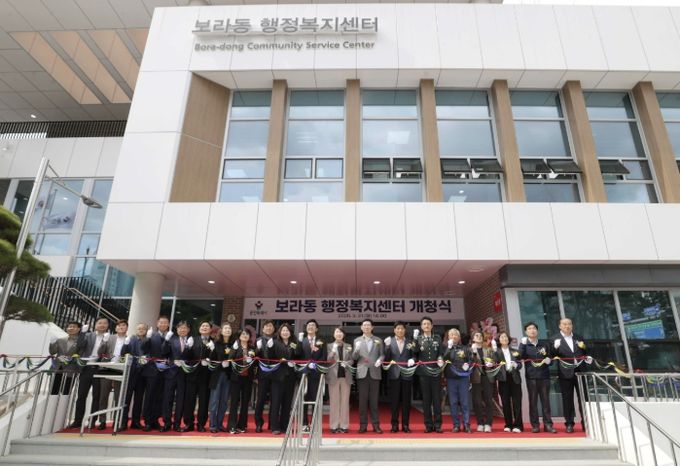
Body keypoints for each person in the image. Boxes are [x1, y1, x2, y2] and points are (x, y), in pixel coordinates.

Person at [550, 318, 592, 433]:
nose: (567, 326)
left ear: (572, 325)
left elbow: (586, 352)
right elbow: (551, 355)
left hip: (580, 372)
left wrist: (586, 350)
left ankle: (586, 423)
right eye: (564, 324)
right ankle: (569, 424)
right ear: (560, 326)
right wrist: (555, 347)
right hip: (565, 373)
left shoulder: (579, 337)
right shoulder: (554, 339)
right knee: (567, 399)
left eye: (569, 324)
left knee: (584, 398)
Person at [70, 317, 110, 429]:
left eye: (105, 323)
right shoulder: (88, 335)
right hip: (86, 368)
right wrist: (82, 333)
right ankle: (78, 421)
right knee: (81, 396)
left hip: (99, 369)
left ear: (108, 326)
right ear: (95, 324)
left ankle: (92, 420)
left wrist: (105, 342)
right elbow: (79, 345)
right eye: (100, 323)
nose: (102, 325)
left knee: (97, 396)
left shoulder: (109, 338)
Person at [519, 321, 556, 433]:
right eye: (529, 329)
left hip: (544, 376)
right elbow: (520, 357)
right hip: (531, 377)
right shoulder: (524, 344)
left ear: (537, 331)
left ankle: (548, 425)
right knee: (533, 402)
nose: (532, 330)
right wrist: (523, 345)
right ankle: (535, 425)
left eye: (534, 328)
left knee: (546, 402)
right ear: (526, 332)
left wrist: (549, 361)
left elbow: (551, 358)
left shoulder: (545, 344)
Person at [412, 316, 444, 433]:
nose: (426, 326)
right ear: (421, 326)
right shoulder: (418, 338)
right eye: (424, 324)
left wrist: (440, 358)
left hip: (435, 371)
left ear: (432, 326)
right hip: (423, 372)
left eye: (428, 324)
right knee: (426, 399)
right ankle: (428, 424)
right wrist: (414, 339)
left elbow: (440, 352)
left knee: (437, 398)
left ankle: (438, 424)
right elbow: (414, 351)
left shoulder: (437, 337)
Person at [161, 321, 195, 432]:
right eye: (180, 328)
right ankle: (166, 423)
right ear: (177, 329)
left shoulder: (191, 341)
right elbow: (164, 352)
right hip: (171, 373)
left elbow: (193, 358)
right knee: (168, 398)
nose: (182, 330)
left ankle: (177, 424)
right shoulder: (172, 340)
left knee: (181, 400)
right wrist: (166, 340)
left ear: (188, 330)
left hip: (183, 374)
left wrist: (189, 348)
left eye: (185, 328)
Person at [352, 319, 384, 434]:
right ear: (361, 327)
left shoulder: (378, 340)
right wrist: (356, 349)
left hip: (375, 372)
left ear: (372, 327)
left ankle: (376, 425)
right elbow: (354, 358)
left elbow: (382, 355)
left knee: (374, 402)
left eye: (368, 325)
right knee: (362, 402)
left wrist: (380, 360)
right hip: (362, 373)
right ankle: (363, 425)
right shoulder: (357, 340)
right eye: (364, 325)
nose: (366, 327)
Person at [96, 319, 129, 430]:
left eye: (123, 325)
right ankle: (102, 421)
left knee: (118, 397)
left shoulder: (129, 339)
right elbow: (100, 353)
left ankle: (117, 420)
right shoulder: (109, 338)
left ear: (127, 328)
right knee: (103, 396)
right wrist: (104, 341)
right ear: (115, 328)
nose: (121, 327)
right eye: (119, 325)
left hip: (121, 370)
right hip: (107, 368)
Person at [383, 321, 415, 433]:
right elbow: (386, 359)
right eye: (398, 328)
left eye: (402, 328)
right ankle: (394, 425)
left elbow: (414, 356)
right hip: (394, 374)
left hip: (407, 374)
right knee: (394, 401)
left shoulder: (410, 342)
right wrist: (387, 347)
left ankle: (405, 425)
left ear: (405, 330)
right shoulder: (389, 342)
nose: (400, 330)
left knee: (406, 401)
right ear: (394, 330)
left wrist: (413, 359)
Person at [141, 315, 171, 431]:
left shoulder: (170, 336)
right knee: (149, 396)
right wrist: (147, 338)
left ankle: (155, 420)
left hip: (164, 371)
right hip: (152, 370)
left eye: (165, 322)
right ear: (157, 324)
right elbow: (143, 348)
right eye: (161, 322)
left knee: (160, 397)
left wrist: (167, 341)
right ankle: (148, 421)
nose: (163, 324)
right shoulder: (151, 335)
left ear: (168, 324)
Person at [269, 323, 299, 435]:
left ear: (290, 332)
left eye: (287, 330)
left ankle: (285, 426)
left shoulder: (293, 343)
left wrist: (298, 347)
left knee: (287, 402)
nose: (285, 332)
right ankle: (274, 426)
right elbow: (270, 357)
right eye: (283, 330)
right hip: (277, 377)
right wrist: (270, 347)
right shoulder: (275, 342)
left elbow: (298, 355)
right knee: (276, 402)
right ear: (280, 332)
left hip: (290, 377)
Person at [442, 328, 472, 433]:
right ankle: (456, 425)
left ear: (459, 338)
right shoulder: (445, 348)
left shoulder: (465, 348)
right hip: (451, 378)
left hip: (463, 377)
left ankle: (467, 425)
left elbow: (470, 360)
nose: (453, 336)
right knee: (453, 402)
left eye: (455, 335)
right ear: (448, 337)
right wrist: (449, 348)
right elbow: (444, 359)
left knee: (464, 402)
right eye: (451, 335)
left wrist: (468, 364)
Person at [299, 319, 326, 431]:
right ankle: (304, 423)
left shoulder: (321, 341)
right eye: (309, 325)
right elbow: (297, 355)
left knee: (315, 399)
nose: (310, 327)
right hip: (304, 374)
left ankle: (314, 423)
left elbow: (324, 357)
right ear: (306, 328)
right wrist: (299, 342)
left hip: (316, 374)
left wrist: (316, 364)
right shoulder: (302, 340)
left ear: (316, 328)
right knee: (303, 399)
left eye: (313, 325)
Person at [493, 331, 523, 433]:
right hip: (503, 379)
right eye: (502, 337)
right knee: (505, 403)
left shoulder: (515, 351)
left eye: (506, 337)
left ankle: (518, 425)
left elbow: (520, 364)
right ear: (499, 340)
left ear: (508, 339)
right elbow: (494, 363)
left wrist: (516, 365)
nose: (504, 338)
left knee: (517, 403)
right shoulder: (496, 352)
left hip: (515, 379)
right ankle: (508, 424)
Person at [120, 323, 148, 430]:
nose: (141, 330)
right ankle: (123, 422)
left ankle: (136, 422)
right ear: (136, 329)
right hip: (131, 372)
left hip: (142, 373)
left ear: (146, 330)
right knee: (126, 398)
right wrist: (125, 344)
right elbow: (123, 353)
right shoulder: (131, 339)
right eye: (139, 328)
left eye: (143, 328)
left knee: (139, 399)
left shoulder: (148, 340)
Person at [228, 328, 255, 434]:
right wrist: (234, 350)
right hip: (236, 378)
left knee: (245, 402)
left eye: (247, 334)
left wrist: (251, 360)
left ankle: (242, 425)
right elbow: (230, 359)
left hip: (248, 378)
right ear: (239, 336)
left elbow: (256, 363)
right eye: (243, 334)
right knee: (234, 402)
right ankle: (232, 425)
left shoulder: (252, 348)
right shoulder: (235, 346)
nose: (245, 335)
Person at [48, 321, 86, 395]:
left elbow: (81, 355)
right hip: (57, 368)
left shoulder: (81, 342)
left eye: (74, 327)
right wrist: (52, 343)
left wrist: (69, 359)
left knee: (66, 392)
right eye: (70, 326)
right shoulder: (60, 340)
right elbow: (52, 352)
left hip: (71, 369)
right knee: (53, 391)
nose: (71, 328)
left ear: (79, 329)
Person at [326, 327, 353, 434]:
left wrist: (347, 363)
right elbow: (327, 360)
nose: (339, 334)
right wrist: (333, 351)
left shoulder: (348, 346)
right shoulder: (329, 346)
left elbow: (352, 360)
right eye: (337, 332)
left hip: (346, 376)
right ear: (334, 334)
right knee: (334, 402)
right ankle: (334, 425)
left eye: (341, 332)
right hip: (333, 376)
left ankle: (344, 425)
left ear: (343, 335)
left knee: (345, 402)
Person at [191, 320, 215, 432]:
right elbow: (187, 356)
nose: (204, 327)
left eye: (207, 326)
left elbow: (216, 358)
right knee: (190, 400)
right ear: (199, 328)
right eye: (202, 326)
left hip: (206, 376)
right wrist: (188, 348)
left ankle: (201, 424)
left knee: (204, 401)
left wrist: (211, 355)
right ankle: (189, 423)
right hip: (193, 375)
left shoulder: (214, 342)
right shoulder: (193, 340)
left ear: (210, 329)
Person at [208, 323, 233, 433]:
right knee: (214, 401)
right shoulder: (215, 343)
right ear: (221, 331)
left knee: (224, 401)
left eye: (229, 328)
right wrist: (211, 351)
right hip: (217, 375)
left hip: (228, 375)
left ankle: (220, 423)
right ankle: (213, 425)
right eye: (225, 328)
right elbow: (211, 359)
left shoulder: (233, 344)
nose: (228, 330)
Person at [470, 330, 494, 432]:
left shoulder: (488, 349)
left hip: (487, 377)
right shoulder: (470, 350)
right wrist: (474, 353)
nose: (479, 337)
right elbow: (470, 362)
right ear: (473, 338)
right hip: (476, 378)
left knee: (489, 400)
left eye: (480, 335)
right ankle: (480, 423)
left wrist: (492, 363)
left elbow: (493, 360)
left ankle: (488, 423)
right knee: (477, 401)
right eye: (476, 335)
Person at [254, 320, 276, 433]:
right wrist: (257, 350)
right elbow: (253, 357)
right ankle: (258, 423)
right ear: (263, 329)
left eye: (270, 326)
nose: (268, 328)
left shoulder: (277, 340)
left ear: (273, 328)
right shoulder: (258, 340)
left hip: (276, 373)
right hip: (262, 374)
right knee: (261, 399)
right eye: (266, 326)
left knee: (274, 400)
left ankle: (272, 424)